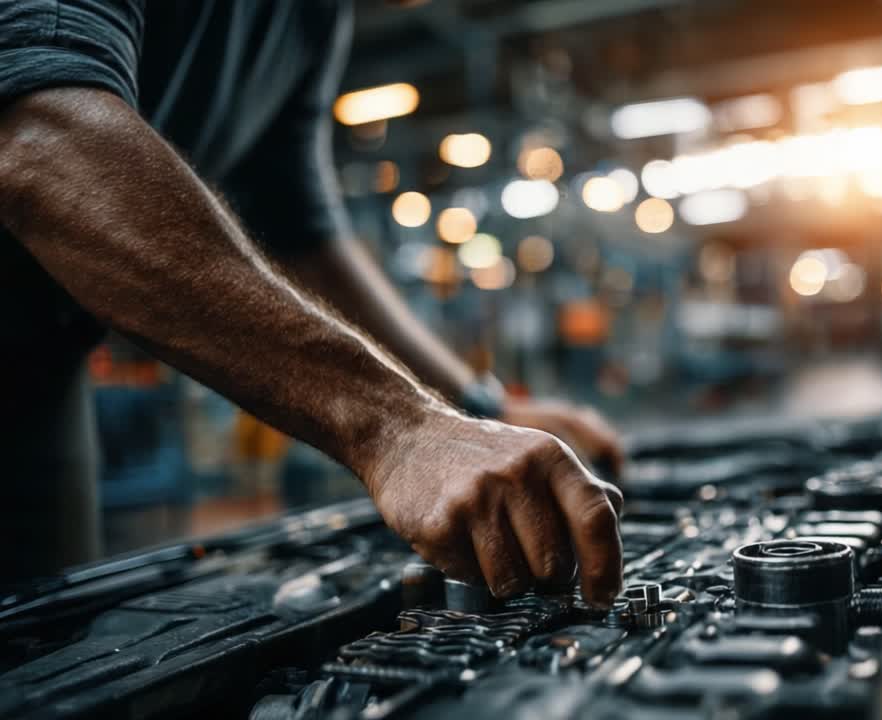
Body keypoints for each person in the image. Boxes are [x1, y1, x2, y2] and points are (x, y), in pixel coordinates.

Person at [0, 0, 625, 607]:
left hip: (41, 362)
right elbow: (39, 145)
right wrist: (397, 427)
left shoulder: (313, 14)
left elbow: (302, 237)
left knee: (50, 644)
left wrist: (478, 409)